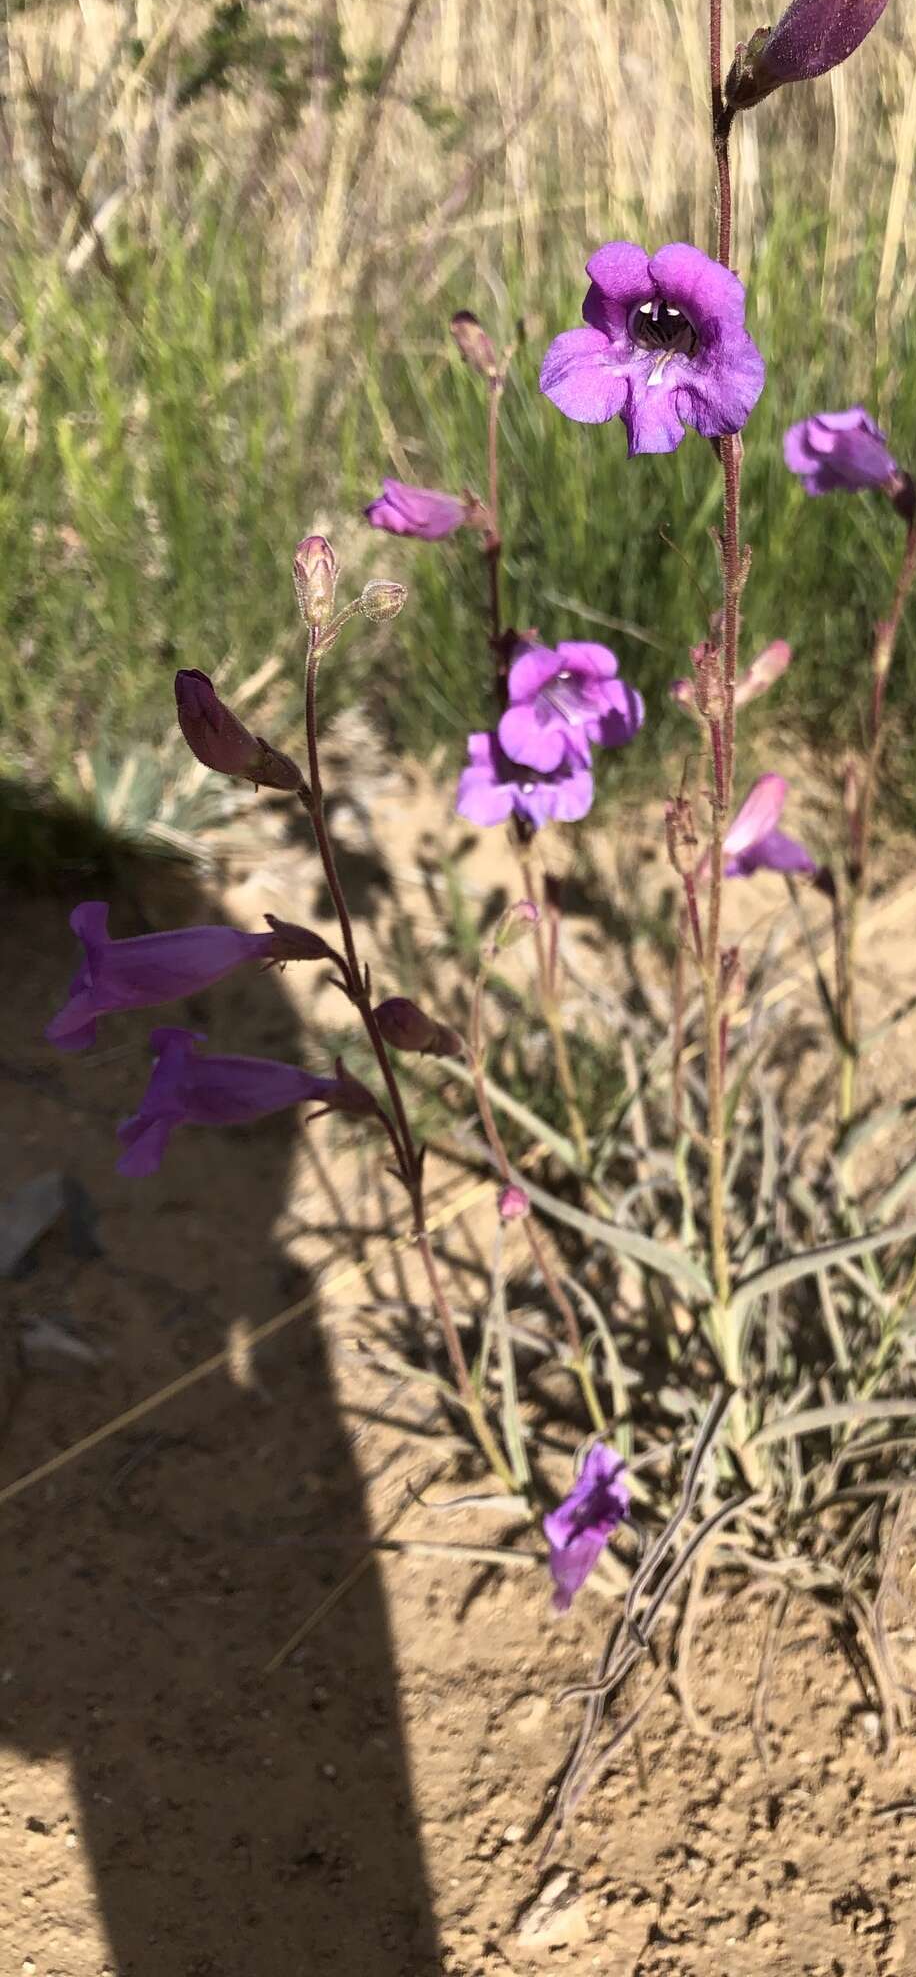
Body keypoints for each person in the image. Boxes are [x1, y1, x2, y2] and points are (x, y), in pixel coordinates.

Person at [0, 800, 441, 1973]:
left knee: (296, 1080)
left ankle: (326, 1084)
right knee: (307, 1083)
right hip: (291, 1042)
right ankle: (327, 1086)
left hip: (288, 1038)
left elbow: (151, 1018)